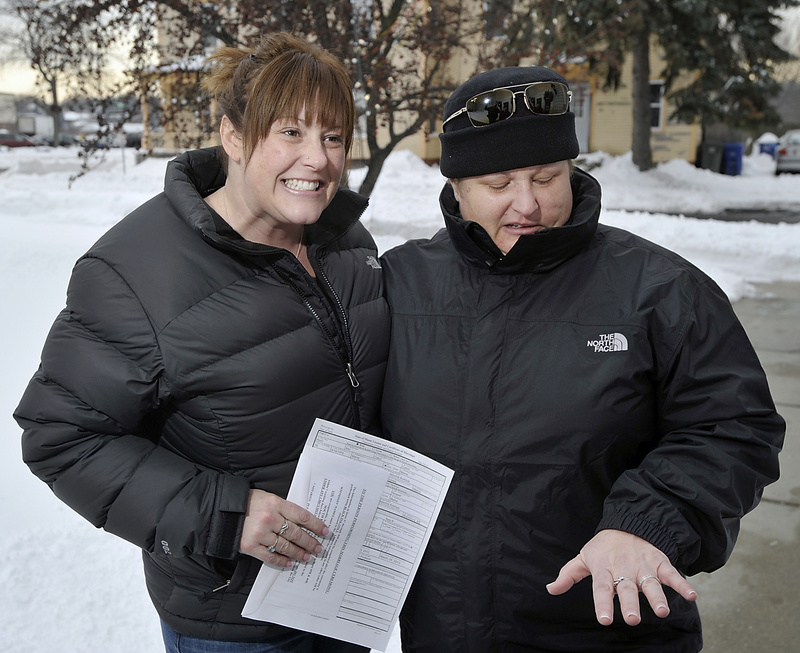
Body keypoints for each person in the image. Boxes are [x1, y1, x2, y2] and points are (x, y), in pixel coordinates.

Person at [379, 65, 785, 652]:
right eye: (499, 185)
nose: (529, 204)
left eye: (547, 177)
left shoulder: (660, 290)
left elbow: (734, 426)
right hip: (446, 632)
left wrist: (646, 523)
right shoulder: (399, 285)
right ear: (457, 186)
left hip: (610, 630)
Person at [15, 33, 389, 653]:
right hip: (235, 622)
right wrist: (223, 513)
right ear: (235, 136)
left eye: (332, 136)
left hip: (342, 596)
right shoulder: (135, 273)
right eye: (290, 133)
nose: (319, 160)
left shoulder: (346, 244)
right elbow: (60, 436)